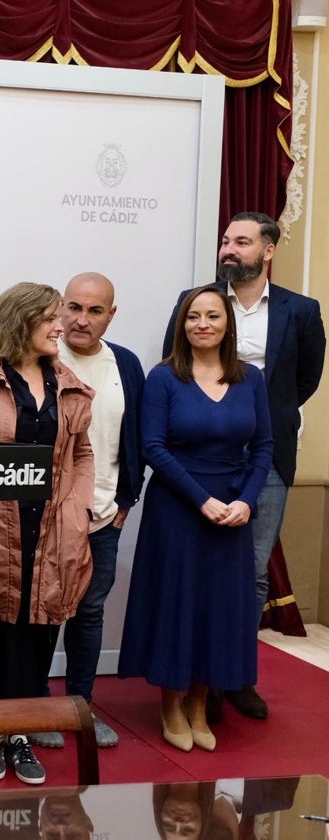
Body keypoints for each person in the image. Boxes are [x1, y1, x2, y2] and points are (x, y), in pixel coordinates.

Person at [162, 211, 325, 721]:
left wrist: (256, 420)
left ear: (268, 250)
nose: (228, 249)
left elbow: (304, 380)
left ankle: (235, 677)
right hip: (200, 460)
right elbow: (177, 363)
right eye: (225, 241)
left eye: (241, 241)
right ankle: (197, 683)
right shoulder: (199, 304)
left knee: (251, 571)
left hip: (265, 455)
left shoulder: (301, 310)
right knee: (204, 570)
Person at [0, 282, 94, 786]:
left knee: (36, 631)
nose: (62, 326)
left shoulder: (67, 382)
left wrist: (76, 517)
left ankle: (21, 732)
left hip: (51, 529)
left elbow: (81, 454)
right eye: (51, 318)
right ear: (22, 321)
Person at [121, 285, 272, 753]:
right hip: (178, 509)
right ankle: (170, 703)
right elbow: (153, 448)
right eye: (192, 317)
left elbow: (264, 446)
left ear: (228, 324)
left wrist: (246, 500)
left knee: (219, 608)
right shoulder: (164, 378)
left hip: (232, 511)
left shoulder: (251, 379)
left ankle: (199, 703)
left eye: (212, 316)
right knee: (177, 603)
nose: (201, 324)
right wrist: (202, 500)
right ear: (181, 324)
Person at [30, 273, 144, 751]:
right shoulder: (39, 357)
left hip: (103, 516)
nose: (81, 319)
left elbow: (138, 438)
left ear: (111, 315)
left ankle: (80, 707)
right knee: (42, 614)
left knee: (89, 613)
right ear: (60, 308)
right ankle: (36, 710)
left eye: (95, 311)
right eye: (73, 307)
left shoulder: (127, 365)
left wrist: (125, 503)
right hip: (47, 514)